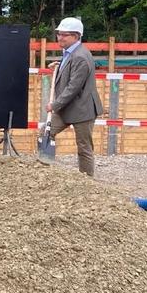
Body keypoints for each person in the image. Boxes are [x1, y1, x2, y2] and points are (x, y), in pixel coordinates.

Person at [47, 16, 102, 177]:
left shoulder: (81, 56)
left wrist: (55, 105)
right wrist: (59, 66)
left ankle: (87, 181)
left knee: (84, 147)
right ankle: (45, 172)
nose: (60, 37)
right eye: (59, 34)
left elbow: (73, 87)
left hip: (82, 109)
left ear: (76, 36)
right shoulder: (70, 52)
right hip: (67, 107)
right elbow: (70, 71)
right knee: (45, 134)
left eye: (64, 34)